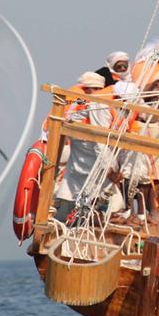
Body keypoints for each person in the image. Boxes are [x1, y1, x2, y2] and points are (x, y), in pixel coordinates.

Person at [53, 72, 117, 223]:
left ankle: (66, 220)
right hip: (87, 149)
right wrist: (109, 165)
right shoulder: (98, 104)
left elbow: (70, 118)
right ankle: (76, 221)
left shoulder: (83, 101)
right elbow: (100, 138)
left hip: (79, 148)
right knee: (94, 188)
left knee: (73, 186)